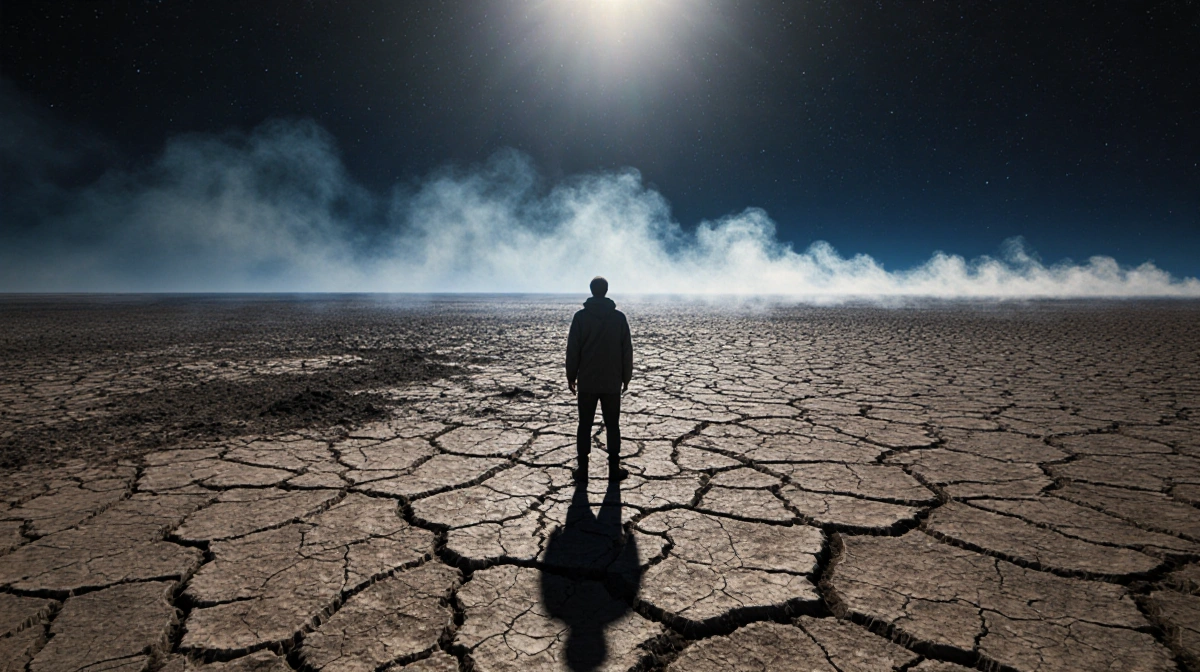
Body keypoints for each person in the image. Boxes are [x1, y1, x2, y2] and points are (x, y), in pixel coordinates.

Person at [566, 276, 633, 481]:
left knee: (584, 425)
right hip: (612, 381)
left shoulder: (581, 317)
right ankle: (614, 469)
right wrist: (626, 378)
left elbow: (573, 350)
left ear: (592, 290)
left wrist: (571, 376)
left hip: (587, 381)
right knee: (613, 425)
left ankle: (583, 470)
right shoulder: (619, 318)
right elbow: (627, 351)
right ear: (606, 290)